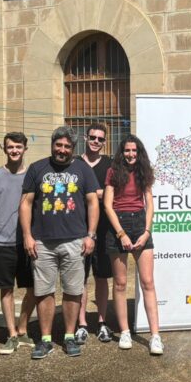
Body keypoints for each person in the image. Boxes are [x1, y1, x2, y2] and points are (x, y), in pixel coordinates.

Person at [19, 126, 100, 360]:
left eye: (67, 146)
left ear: (73, 148)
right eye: (58, 145)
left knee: (73, 291)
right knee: (44, 292)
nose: (62, 150)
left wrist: (91, 235)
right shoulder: (37, 168)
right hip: (42, 243)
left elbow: (93, 202)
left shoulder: (83, 169)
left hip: (75, 241)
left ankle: (69, 336)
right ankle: (45, 340)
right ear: (52, 144)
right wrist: (27, 236)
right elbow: (26, 203)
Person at [103, 134, 163, 355]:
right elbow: (107, 205)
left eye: (134, 151)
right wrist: (121, 234)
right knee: (120, 283)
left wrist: (146, 232)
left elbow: (150, 204)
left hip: (139, 223)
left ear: (139, 153)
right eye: (127, 150)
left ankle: (155, 336)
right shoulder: (113, 172)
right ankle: (125, 332)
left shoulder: (144, 171)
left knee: (148, 282)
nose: (130, 154)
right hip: (117, 225)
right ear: (122, 152)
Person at [0, 132, 38, 354]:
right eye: (10, 147)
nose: (14, 150)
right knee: (6, 290)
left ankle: (23, 327)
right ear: (5, 149)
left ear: (25, 149)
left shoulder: (32, 177)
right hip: (2, 244)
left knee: (34, 288)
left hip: (27, 243)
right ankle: (11, 334)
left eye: (18, 147)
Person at [75, 123, 113, 344]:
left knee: (102, 277)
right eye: (92, 137)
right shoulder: (74, 164)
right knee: (80, 278)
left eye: (100, 139)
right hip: (78, 230)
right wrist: (99, 192)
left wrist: (89, 192)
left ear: (105, 142)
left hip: (105, 230)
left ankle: (101, 322)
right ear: (85, 138)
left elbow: (113, 193)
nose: (96, 141)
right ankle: (81, 324)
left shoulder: (109, 164)